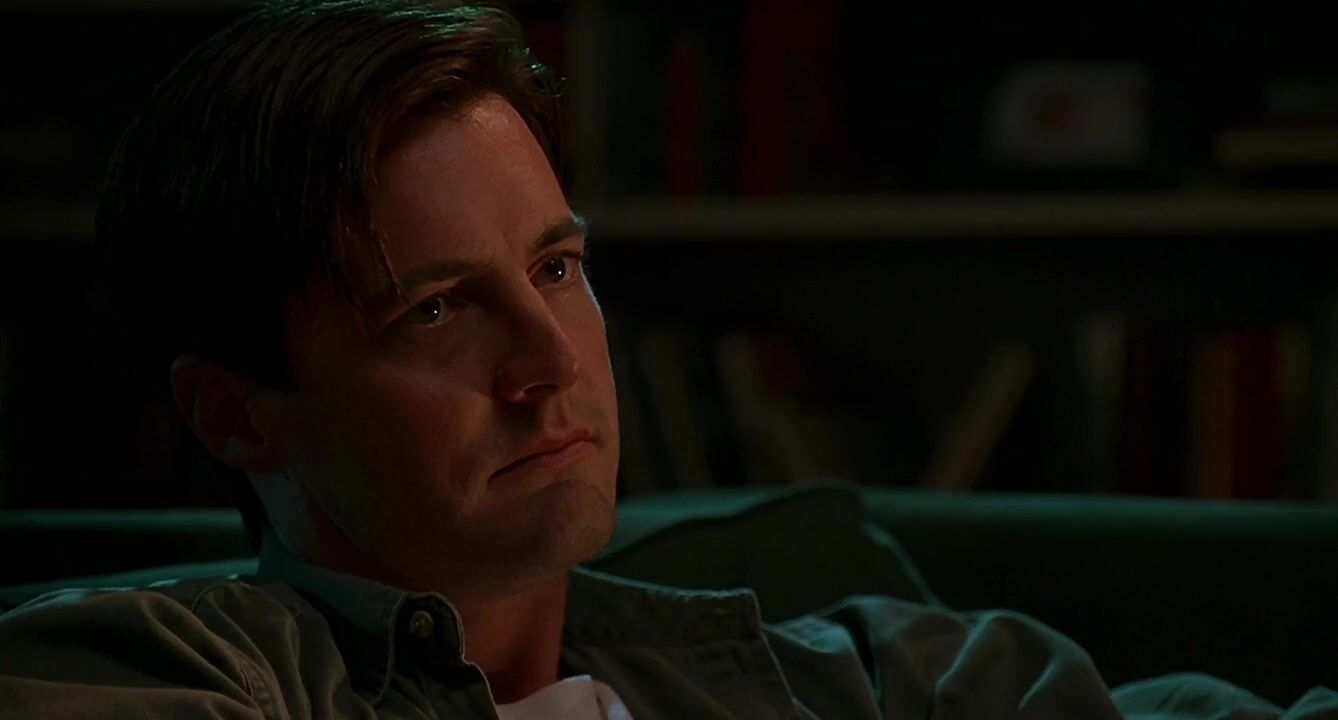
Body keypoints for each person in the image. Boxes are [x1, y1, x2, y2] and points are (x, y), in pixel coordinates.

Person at [0, 1, 1334, 717]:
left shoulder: (867, 681)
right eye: (435, 312)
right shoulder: (159, 669)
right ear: (236, 414)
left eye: (556, 270)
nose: (550, 362)